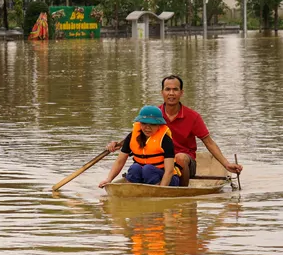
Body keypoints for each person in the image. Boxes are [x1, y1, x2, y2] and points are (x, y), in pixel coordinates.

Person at [106, 75, 243, 186]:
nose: (171, 93)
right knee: (140, 168)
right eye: (167, 89)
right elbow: (138, 134)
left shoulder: (192, 116)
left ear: (181, 93)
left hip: (184, 162)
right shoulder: (153, 114)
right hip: (158, 162)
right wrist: (118, 144)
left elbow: (209, 142)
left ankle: (181, 189)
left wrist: (226, 164)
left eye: (175, 89)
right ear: (162, 92)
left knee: (180, 157)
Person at [98, 105, 181, 188]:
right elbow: (120, 161)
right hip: (144, 175)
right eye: (144, 123)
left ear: (159, 125)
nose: (147, 127)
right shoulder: (132, 136)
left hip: (167, 179)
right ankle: (133, 189)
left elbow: (169, 171)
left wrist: (162, 190)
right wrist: (109, 179)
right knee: (135, 168)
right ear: (140, 123)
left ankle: (154, 188)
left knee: (148, 169)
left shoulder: (165, 140)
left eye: (152, 124)